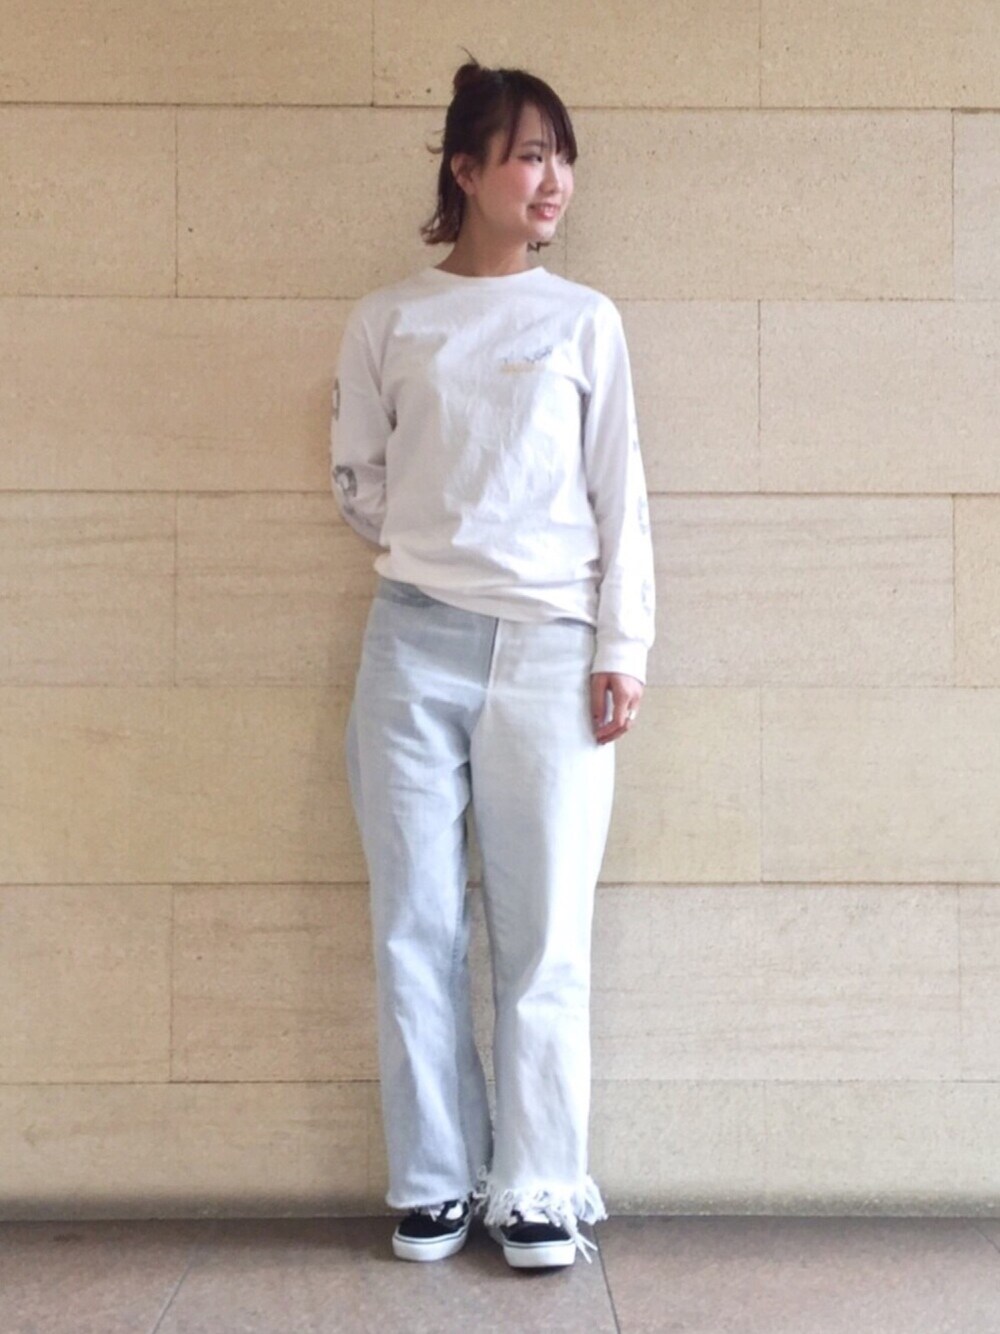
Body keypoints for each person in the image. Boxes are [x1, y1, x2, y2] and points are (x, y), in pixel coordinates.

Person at [330, 54, 655, 1271]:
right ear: (464, 170)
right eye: (527, 155)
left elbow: (619, 497)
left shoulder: (583, 321)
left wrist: (622, 643)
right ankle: (432, 1178)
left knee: (545, 931)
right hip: (410, 641)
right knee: (413, 923)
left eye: (562, 157)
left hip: (552, 655)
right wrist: (447, 544)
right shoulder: (388, 319)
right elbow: (359, 482)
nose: (552, 179)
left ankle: (538, 1183)